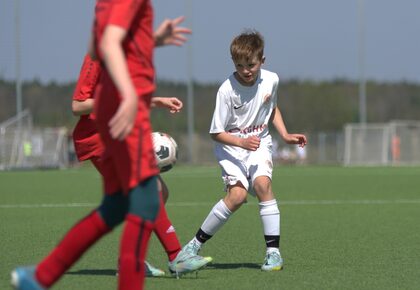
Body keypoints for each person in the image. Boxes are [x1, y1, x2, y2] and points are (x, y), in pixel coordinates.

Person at [11, 5, 209, 290]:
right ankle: (175, 256)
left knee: (121, 206)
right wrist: (127, 95)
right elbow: (89, 80)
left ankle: (41, 276)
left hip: (122, 127)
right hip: (107, 136)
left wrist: (152, 46)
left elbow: (110, 43)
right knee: (148, 195)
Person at [180, 30, 307, 272]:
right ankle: (193, 246)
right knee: (237, 197)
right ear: (233, 63)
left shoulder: (271, 80)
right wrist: (241, 143)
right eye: (240, 65)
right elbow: (215, 133)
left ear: (262, 61)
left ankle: (273, 254)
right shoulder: (226, 90)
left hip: (259, 143)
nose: (246, 70)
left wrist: (286, 134)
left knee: (262, 186)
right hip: (231, 147)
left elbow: (272, 107)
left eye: (251, 64)